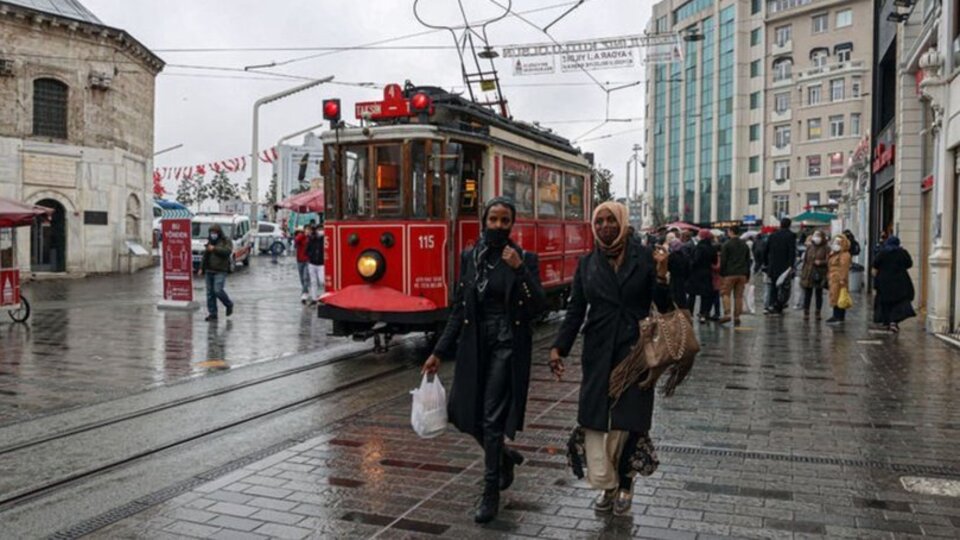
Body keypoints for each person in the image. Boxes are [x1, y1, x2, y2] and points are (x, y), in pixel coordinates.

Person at [422, 197, 545, 524]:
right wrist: (438, 351)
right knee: (461, 413)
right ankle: (503, 456)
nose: (499, 226)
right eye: (494, 220)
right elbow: (460, 308)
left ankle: (490, 491)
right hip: (475, 345)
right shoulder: (471, 257)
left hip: (507, 344)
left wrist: (519, 271)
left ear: (512, 224)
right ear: (484, 221)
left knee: (491, 419)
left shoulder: (523, 259)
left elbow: (539, 305)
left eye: (505, 221)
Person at [549, 201, 671, 517]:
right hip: (598, 350)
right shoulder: (587, 263)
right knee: (597, 421)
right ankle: (606, 481)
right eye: (599, 221)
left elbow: (667, 307)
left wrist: (661, 276)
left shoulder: (645, 258)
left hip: (634, 352)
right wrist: (559, 347)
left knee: (629, 422)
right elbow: (576, 310)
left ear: (623, 223)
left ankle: (625, 483)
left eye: (610, 221)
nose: (605, 226)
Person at [872, 236, 916, 332]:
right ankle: (894, 322)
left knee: (886, 302)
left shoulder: (883, 253)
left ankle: (887, 321)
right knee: (898, 302)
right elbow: (909, 264)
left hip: (884, 281)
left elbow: (875, 264)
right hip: (900, 281)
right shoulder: (902, 253)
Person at [197, 224, 234, 322]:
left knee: (218, 290)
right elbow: (205, 256)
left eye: (215, 232)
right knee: (210, 294)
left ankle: (228, 304)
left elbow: (227, 251)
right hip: (209, 270)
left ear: (219, 232)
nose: (213, 234)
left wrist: (214, 249)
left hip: (220, 270)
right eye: (211, 233)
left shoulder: (226, 241)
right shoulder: (210, 241)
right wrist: (201, 268)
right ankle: (213, 314)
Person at [718, 226, 751, 326]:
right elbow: (748, 260)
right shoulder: (744, 245)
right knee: (738, 296)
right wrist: (747, 274)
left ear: (731, 231)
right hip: (742, 274)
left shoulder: (727, 244)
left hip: (729, 273)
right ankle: (737, 316)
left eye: (728, 231)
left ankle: (727, 314)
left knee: (725, 293)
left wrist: (722, 273)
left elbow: (723, 260)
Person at [765, 218, 797, 315]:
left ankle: (772, 304)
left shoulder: (772, 235)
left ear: (780, 224)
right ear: (789, 225)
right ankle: (779, 305)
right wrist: (791, 265)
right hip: (785, 267)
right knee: (784, 287)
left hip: (773, 266)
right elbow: (792, 251)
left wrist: (766, 264)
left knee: (773, 286)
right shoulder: (791, 235)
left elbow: (766, 250)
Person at [689, 229, 718, 323]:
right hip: (707, 273)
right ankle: (703, 314)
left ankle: (690, 313)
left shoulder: (698, 247)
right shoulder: (712, 247)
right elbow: (714, 261)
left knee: (692, 294)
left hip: (696, 274)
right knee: (705, 295)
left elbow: (695, 260)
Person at [799, 230, 829, 320]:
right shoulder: (810, 247)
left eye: (818, 236)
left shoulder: (826, 248)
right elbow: (805, 261)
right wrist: (803, 273)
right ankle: (806, 312)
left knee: (818, 294)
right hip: (808, 273)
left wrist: (821, 262)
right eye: (815, 236)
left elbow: (829, 261)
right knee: (807, 293)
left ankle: (818, 312)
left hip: (819, 274)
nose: (816, 238)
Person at [826, 234, 852, 324]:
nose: (835, 244)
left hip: (839, 279)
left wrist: (842, 279)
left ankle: (839, 317)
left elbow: (844, 268)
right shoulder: (835, 254)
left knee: (840, 297)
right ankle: (835, 315)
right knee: (834, 296)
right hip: (833, 279)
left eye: (838, 243)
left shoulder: (844, 255)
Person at [305, 225, 324, 303]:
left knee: (322, 281)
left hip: (321, 263)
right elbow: (307, 249)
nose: (320, 231)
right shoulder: (312, 239)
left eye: (321, 229)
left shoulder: (324, 239)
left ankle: (323, 295)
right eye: (318, 230)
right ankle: (314, 298)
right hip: (312, 263)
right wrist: (310, 255)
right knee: (313, 281)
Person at [293, 227, 310, 304]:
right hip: (300, 260)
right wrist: (303, 235)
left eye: (309, 230)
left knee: (306, 277)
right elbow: (296, 241)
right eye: (306, 230)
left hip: (308, 260)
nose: (308, 231)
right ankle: (305, 290)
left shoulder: (310, 238)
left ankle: (304, 293)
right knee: (301, 278)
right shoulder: (300, 236)